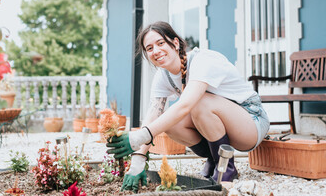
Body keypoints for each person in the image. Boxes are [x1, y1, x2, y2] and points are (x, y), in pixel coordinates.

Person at [107, 21, 270, 192]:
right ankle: (214, 158)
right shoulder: (163, 76)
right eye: (149, 48)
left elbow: (186, 105)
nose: (156, 51)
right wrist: (138, 160)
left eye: (160, 43)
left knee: (199, 102)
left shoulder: (202, 60)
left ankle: (226, 168)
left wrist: (138, 137)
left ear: (175, 43)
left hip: (251, 122)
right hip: (226, 123)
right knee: (170, 123)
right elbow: (153, 114)